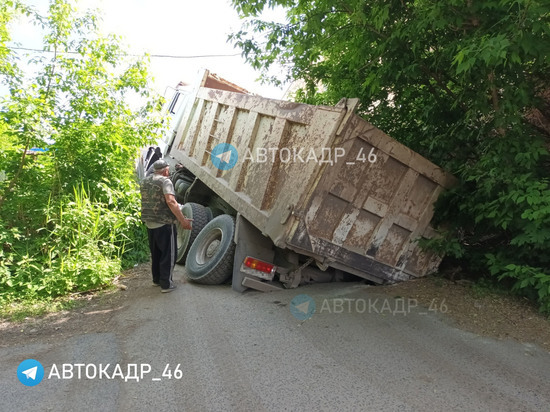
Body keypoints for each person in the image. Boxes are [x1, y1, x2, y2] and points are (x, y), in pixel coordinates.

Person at [140, 159, 192, 293]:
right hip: (164, 223)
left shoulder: (145, 181)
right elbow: (171, 201)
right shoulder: (165, 181)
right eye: (168, 169)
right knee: (168, 254)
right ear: (165, 170)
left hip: (149, 222)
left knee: (156, 252)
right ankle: (166, 284)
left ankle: (156, 280)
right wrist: (183, 220)